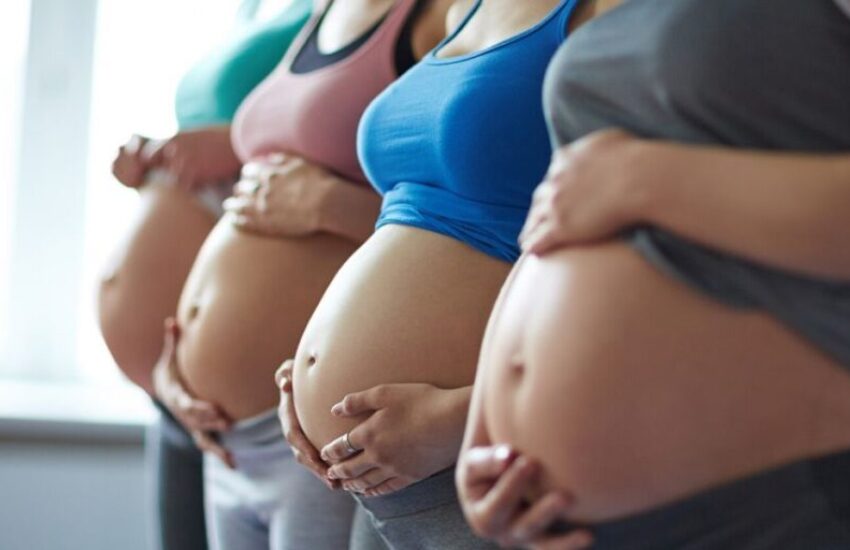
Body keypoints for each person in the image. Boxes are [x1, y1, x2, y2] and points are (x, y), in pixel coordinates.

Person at [456, 0, 850, 547]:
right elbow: (560, 211)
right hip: (572, 514)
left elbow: (611, 182)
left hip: (781, 494)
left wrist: (642, 180)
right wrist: (482, 438)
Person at [276, 0, 585, 547]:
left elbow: (635, 281)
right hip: (376, 476)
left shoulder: (609, 15)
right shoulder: (464, 9)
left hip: (481, 457)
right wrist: (307, 374)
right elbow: (405, 231)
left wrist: (462, 417)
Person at [152, 0, 456, 548]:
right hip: (226, 435)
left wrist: (328, 203)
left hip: (309, 428)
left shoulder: (441, 16)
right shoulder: (325, 14)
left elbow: (450, 216)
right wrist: (180, 360)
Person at [98, 2, 311, 549]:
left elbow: (337, 146)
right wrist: (156, 157)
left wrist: (235, 145)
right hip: (173, 384)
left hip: (260, 404)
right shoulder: (259, 11)